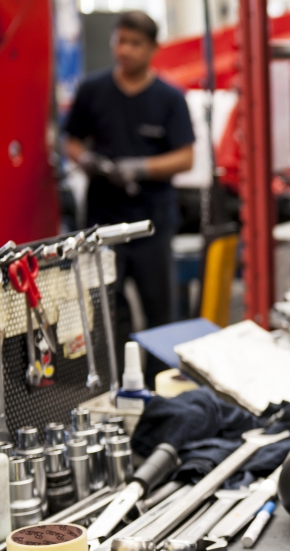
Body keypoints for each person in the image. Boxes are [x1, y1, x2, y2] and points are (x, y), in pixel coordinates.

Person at [63, 10, 194, 374]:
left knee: (160, 311)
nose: (126, 50)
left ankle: (161, 386)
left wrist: (141, 167)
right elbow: (69, 140)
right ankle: (115, 383)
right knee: (107, 311)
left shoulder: (169, 98)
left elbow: (186, 157)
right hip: (104, 222)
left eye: (136, 43)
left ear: (153, 48)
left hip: (152, 222)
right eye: (121, 40)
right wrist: (86, 158)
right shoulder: (93, 91)